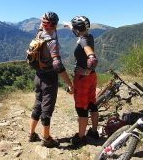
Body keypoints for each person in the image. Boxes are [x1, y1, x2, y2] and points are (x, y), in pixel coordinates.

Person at [29, 11, 74, 148]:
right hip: (49, 79)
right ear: (54, 25)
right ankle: (46, 138)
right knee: (46, 110)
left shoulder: (40, 33)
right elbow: (57, 65)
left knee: (37, 105)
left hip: (38, 76)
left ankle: (31, 134)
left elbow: (46, 27)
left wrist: (69, 26)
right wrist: (69, 83)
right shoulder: (52, 42)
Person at [64, 16, 99, 146]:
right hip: (92, 77)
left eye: (74, 29)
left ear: (78, 30)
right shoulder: (89, 36)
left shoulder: (83, 41)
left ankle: (81, 137)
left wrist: (86, 71)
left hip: (82, 78)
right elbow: (80, 34)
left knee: (82, 108)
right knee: (92, 104)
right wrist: (69, 26)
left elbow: (92, 59)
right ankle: (94, 132)